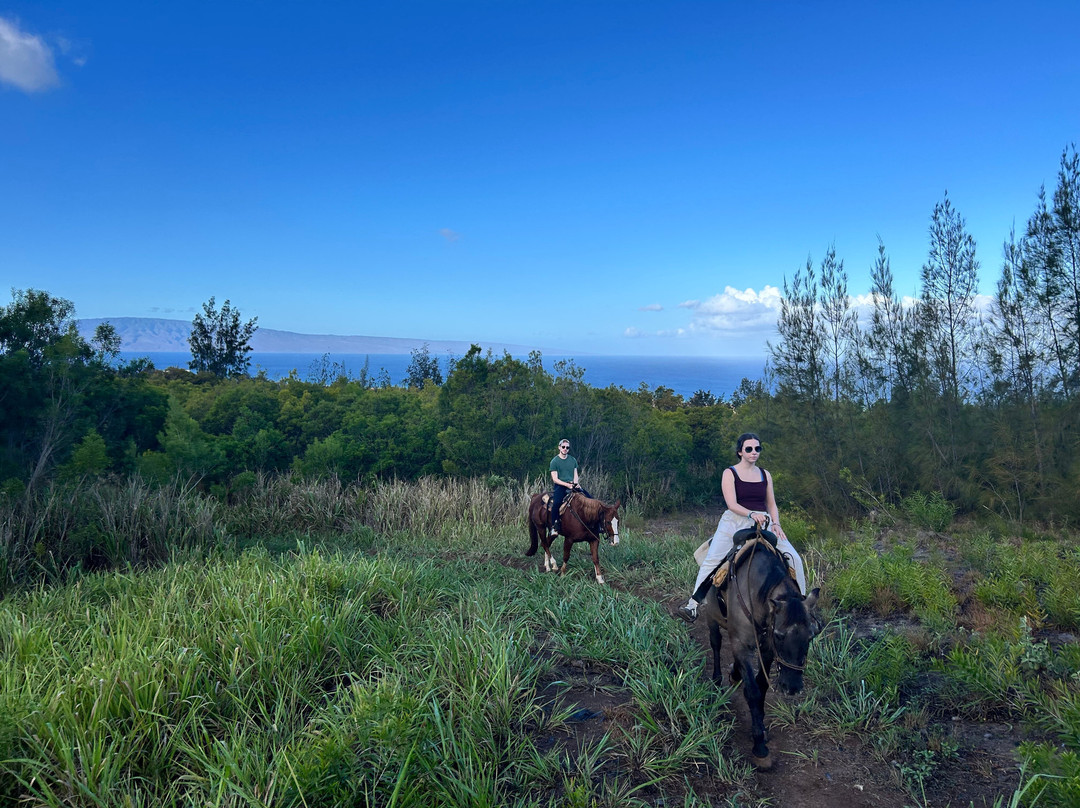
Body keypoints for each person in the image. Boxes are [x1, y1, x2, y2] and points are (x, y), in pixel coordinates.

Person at [677, 432, 807, 623]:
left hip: (765, 520)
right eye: (749, 449)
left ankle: (801, 606)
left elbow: (771, 503)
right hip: (736, 520)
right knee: (713, 559)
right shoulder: (730, 473)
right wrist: (750, 513)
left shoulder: (765, 474)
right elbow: (731, 503)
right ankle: (693, 605)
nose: (754, 452)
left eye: (757, 448)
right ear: (740, 452)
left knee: (794, 558)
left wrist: (776, 523)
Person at [548, 439, 590, 536]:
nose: (565, 449)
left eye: (567, 447)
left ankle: (595, 525)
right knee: (557, 503)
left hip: (572, 484)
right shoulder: (554, 461)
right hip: (561, 485)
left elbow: (575, 474)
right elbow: (555, 479)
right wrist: (567, 485)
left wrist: (575, 484)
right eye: (563, 447)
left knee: (589, 498)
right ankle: (554, 526)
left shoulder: (572, 460)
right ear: (559, 447)